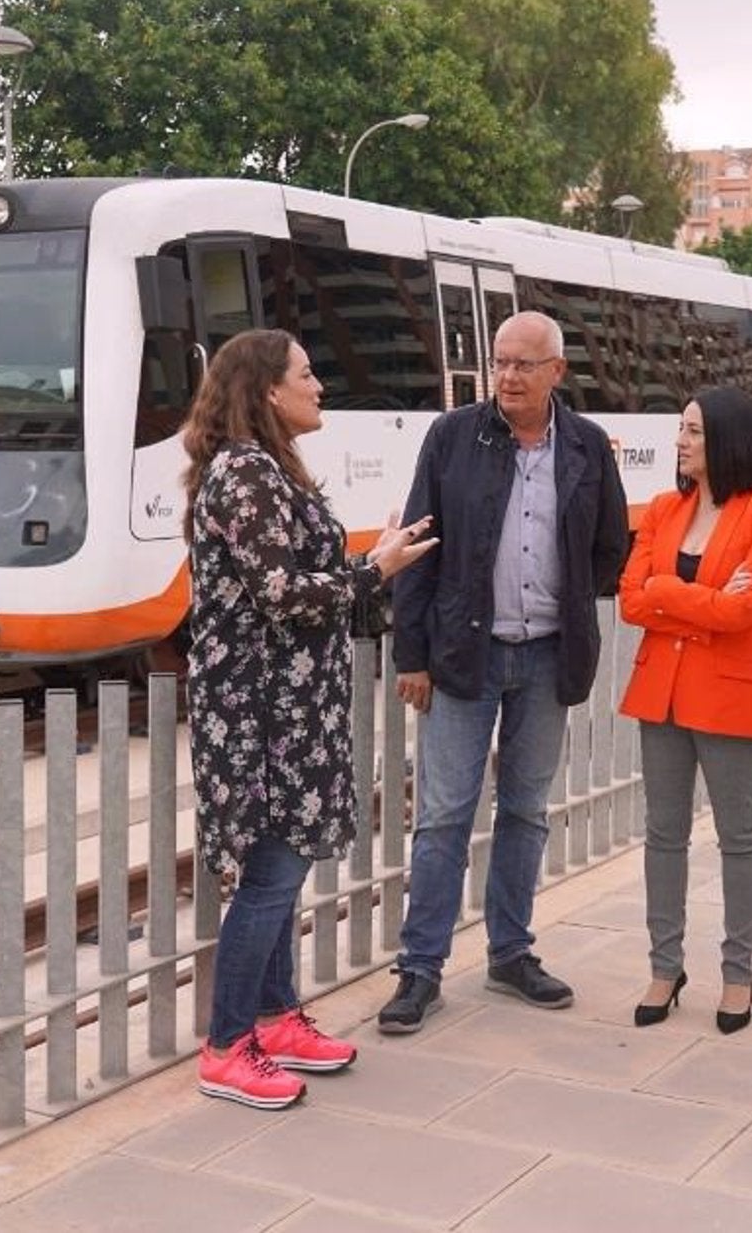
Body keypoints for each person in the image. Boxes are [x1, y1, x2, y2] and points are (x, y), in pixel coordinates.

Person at [183, 329, 436, 1109]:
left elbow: (298, 582)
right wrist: (375, 570)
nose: (319, 385)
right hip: (258, 712)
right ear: (269, 389)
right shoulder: (244, 471)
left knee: (279, 869)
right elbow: (281, 592)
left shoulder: (266, 466)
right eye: (306, 372)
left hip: (288, 706)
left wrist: (372, 565)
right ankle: (227, 1045)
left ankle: (274, 1017)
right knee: (272, 872)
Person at [377, 309, 630, 1034]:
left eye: (525, 364)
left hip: (549, 654)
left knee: (525, 810)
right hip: (466, 655)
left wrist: (569, 599)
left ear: (557, 371)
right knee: (443, 815)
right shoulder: (453, 436)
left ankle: (510, 952)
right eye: (501, 362)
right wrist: (412, 655)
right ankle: (420, 969)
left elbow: (611, 544)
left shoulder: (585, 445)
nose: (509, 376)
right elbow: (418, 546)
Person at [617, 387, 752, 1034]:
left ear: (727, 439)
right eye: (681, 429)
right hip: (660, 694)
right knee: (663, 834)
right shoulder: (664, 508)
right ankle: (665, 968)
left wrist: (666, 591)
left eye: (692, 430)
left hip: (729, 696)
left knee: (738, 837)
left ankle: (738, 975)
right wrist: (694, 597)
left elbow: (744, 611)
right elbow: (630, 599)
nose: (680, 441)